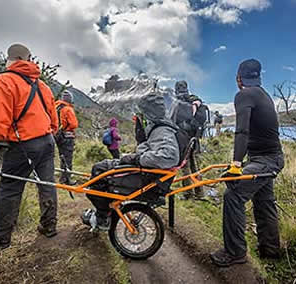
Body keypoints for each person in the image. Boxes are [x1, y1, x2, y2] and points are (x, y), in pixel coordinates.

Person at [0, 43, 59, 249]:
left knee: (10, 188)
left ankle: (0, 237)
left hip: (24, 144)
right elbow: (54, 120)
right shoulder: (43, 86)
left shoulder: (4, 80)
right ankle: (49, 226)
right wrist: (47, 132)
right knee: (47, 184)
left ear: (10, 60)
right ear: (28, 60)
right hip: (47, 141)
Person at [210, 59, 284, 267]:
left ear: (239, 78)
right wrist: (242, 163)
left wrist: (235, 164)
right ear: (258, 77)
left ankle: (235, 253)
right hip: (272, 158)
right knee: (264, 202)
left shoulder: (244, 95)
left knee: (233, 194)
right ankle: (270, 251)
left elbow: (242, 130)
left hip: (265, 161)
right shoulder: (263, 95)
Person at [82, 93, 180, 230]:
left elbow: (169, 156)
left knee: (98, 172)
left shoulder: (162, 130)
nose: (141, 117)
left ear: (149, 112)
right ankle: (105, 212)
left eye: (143, 113)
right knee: (100, 170)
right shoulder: (159, 126)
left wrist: (137, 158)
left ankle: (102, 218)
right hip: (146, 171)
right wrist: (140, 148)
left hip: (145, 174)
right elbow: (153, 148)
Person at [168, 80, 205, 199]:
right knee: (196, 166)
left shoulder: (177, 103)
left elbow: (172, 121)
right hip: (195, 139)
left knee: (185, 166)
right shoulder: (194, 100)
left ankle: (188, 193)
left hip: (183, 140)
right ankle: (199, 193)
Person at [55, 90, 78, 185]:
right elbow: (74, 124)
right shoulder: (68, 109)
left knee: (62, 156)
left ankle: (63, 177)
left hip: (57, 135)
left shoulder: (56, 106)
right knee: (67, 158)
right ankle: (66, 179)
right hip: (67, 136)